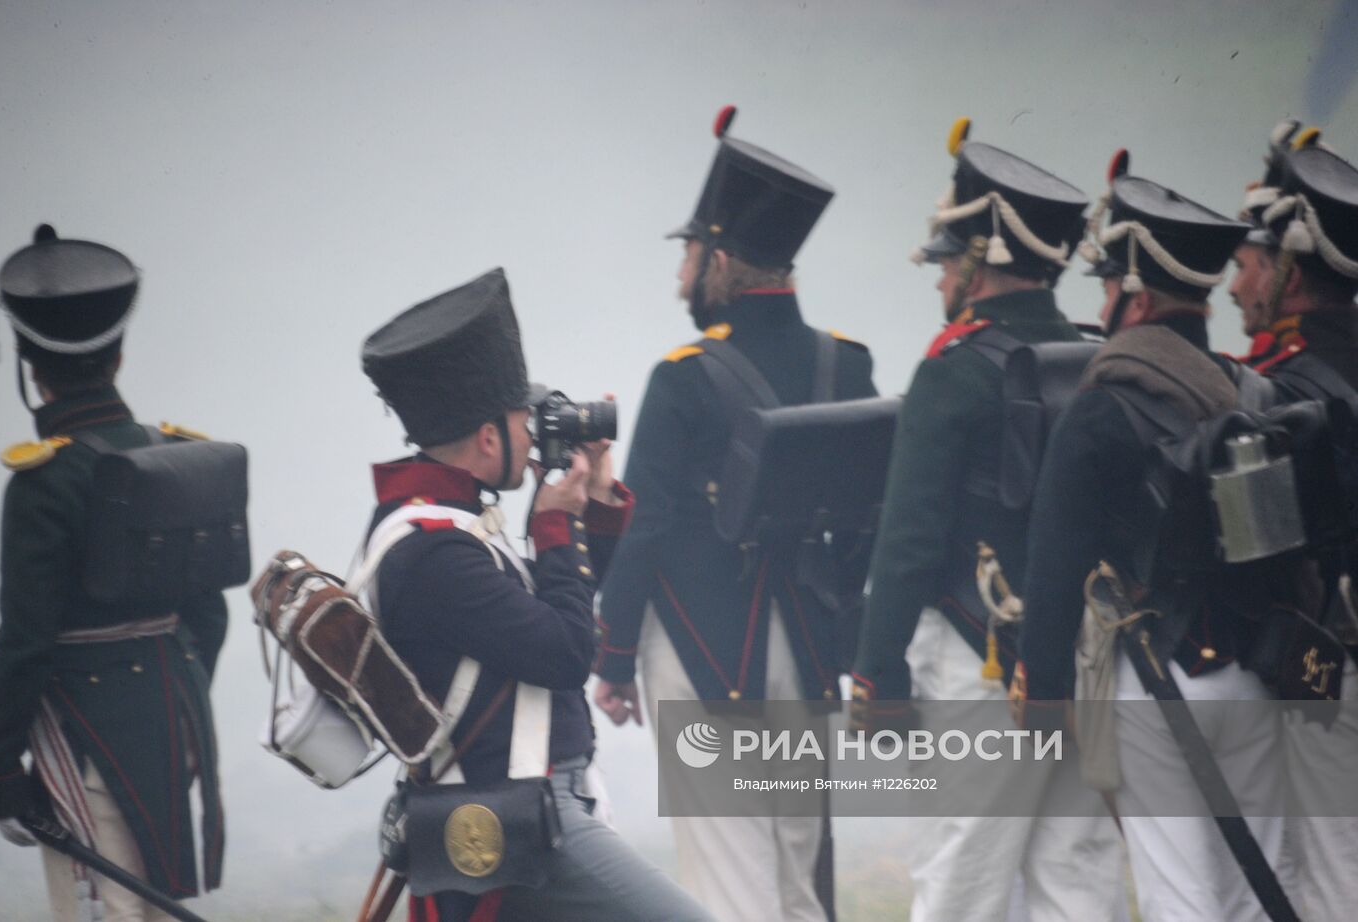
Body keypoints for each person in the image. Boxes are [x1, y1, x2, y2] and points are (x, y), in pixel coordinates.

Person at [591, 106, 876, 922]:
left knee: (729, 886)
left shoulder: (681, 376)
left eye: (690, 253)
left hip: (707, 652)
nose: (681, 272)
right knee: (795, 879)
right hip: (815, 648)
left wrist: (613, 659)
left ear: (721, 259)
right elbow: (865, 522)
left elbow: (644, 526)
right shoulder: (846, 363)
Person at [358, 267, 712, 922]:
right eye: (523, 419)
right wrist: (552, 523)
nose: (534, 432)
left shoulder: (446, 526)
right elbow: (564, 650)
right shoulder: (430, 547)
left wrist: (592, 508)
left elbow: (545, 606)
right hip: (513, 817)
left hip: (530, 808)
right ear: (488, 437)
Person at [851, 117, 1123, 921]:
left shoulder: (953, 370)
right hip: (1088, 661)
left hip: (981, 667)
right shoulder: (1097, 354)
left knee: (959, 879)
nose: (939, 281)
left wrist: (879, 670)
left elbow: (907, 541)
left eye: (947, 261)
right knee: (1076, 887)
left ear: (980, 259)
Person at [1014, 158, 1290, 922]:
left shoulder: (1103, 406)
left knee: (1182, 900)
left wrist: (1042, 696)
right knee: (1252, 899)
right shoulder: (1254, 394)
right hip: (1257, 676)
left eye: (1108, 284)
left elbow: (1053, 560)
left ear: (1134, 295)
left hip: (1160, 678)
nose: (1100, 301)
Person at [0, 225, 227, 921]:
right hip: (177, 720)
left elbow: (24, 641)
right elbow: (209, 615)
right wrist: (175, 688)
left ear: (30, 363)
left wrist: (1, 771)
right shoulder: (176, 456)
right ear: (118, 356)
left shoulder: (41, 484)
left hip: (85, 734)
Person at [1230, 132, 1358, 922]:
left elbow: (1257, 560)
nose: (1238, 283)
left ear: (1291, 269)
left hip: (1327, 672)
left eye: (1250, 262)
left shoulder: (1276, 393)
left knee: (1331, 879)